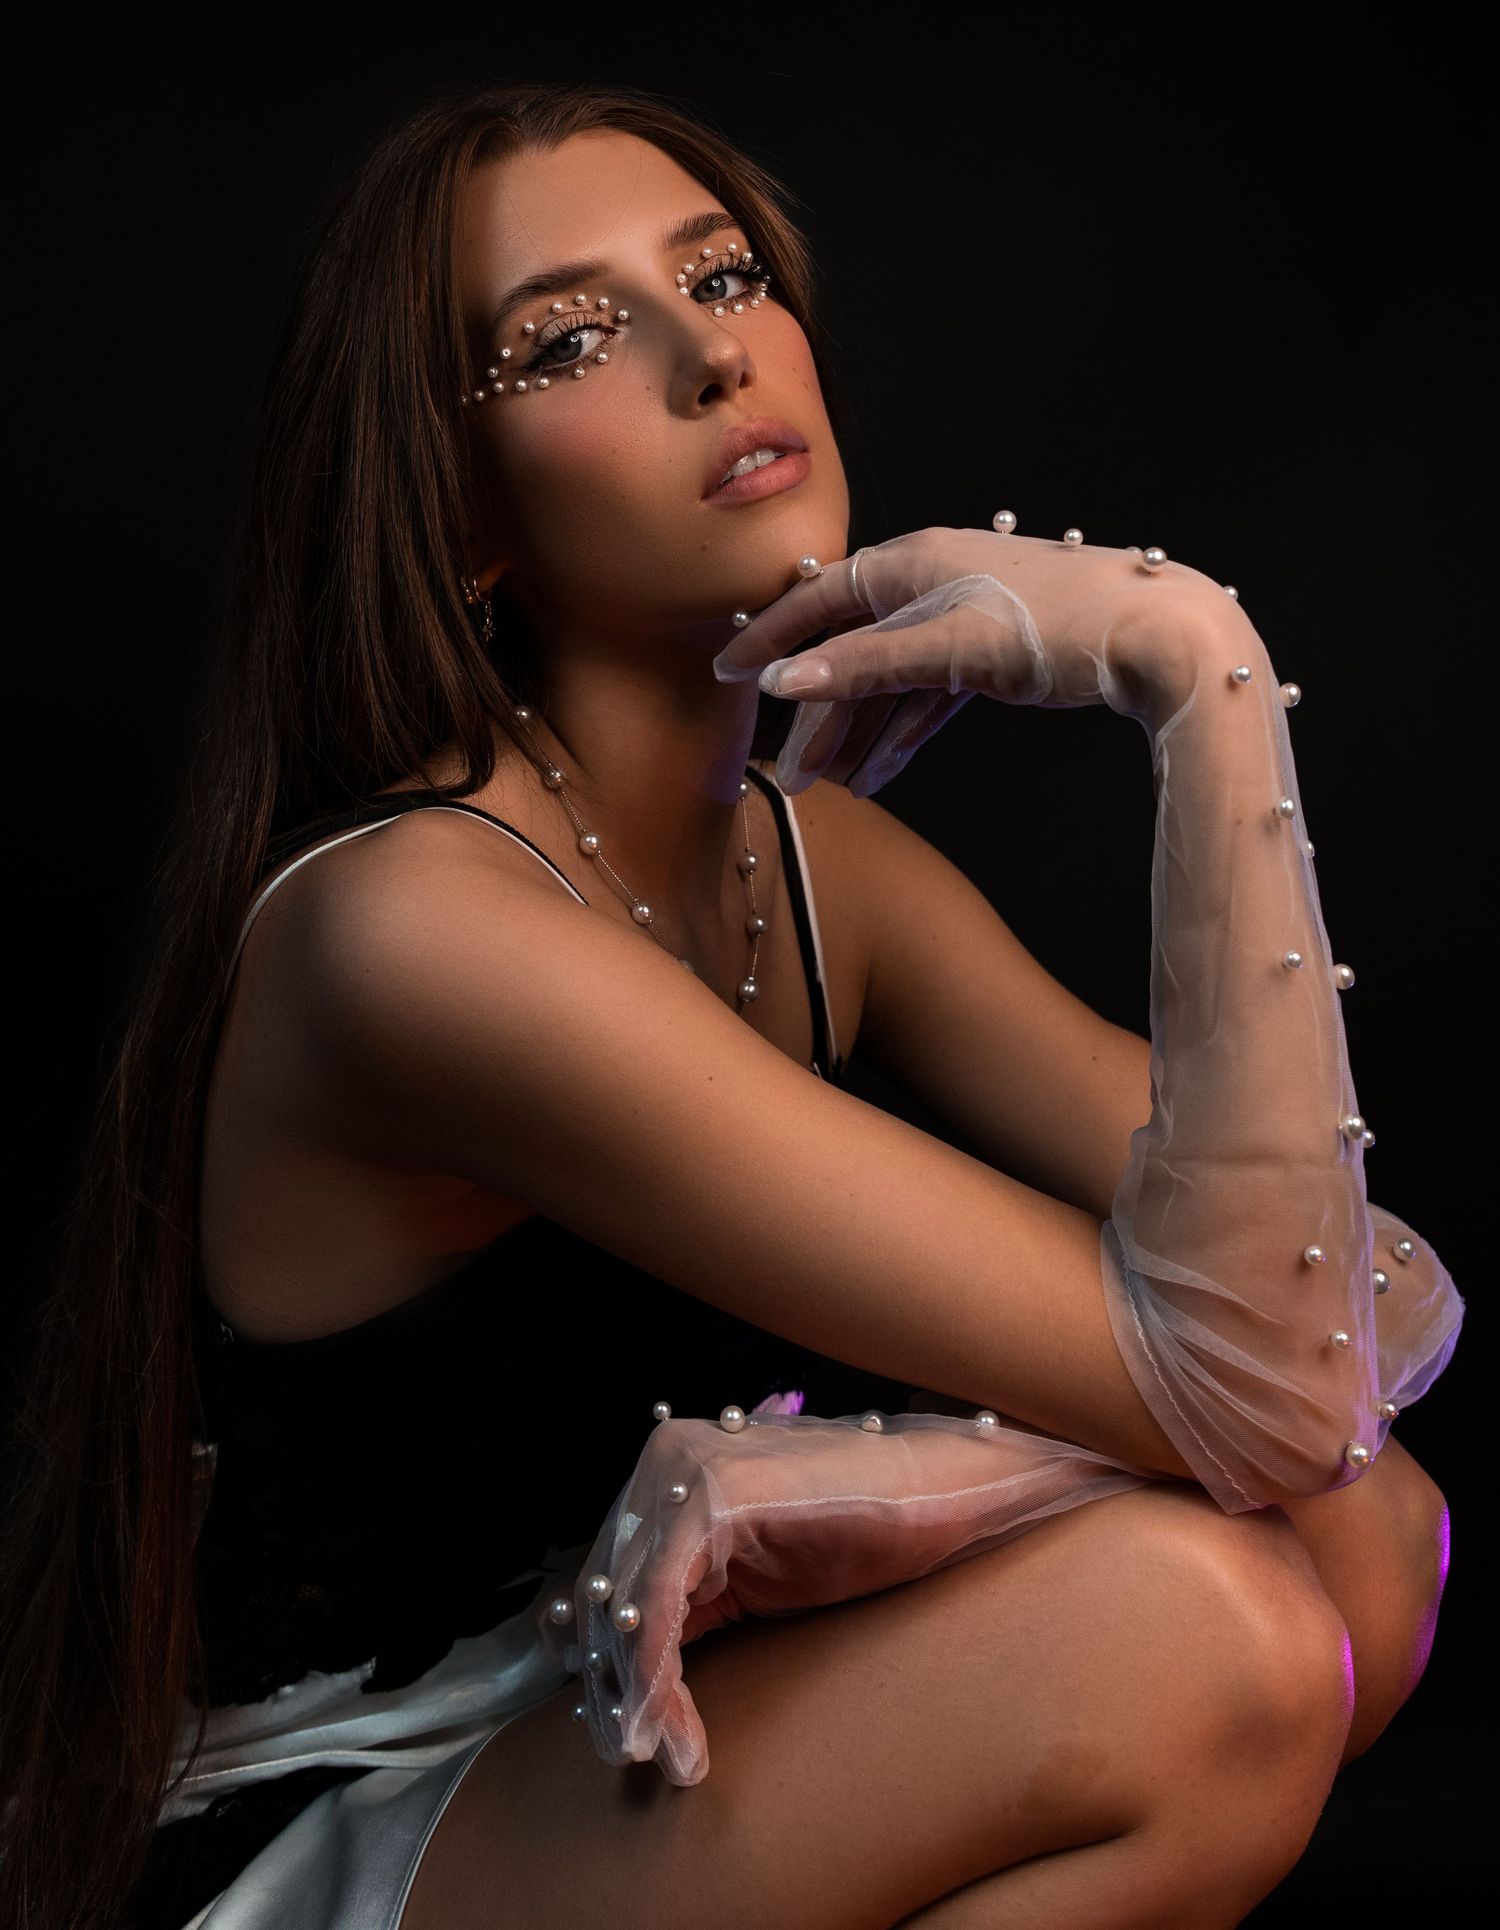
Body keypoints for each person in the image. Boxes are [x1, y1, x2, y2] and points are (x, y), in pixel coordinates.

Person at [0, 77, 1462, 1930]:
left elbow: (1354, 1305)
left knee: (1369, 1535)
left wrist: (876, 1479)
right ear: (463, 517)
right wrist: (1204, 668)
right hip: (345, 1828)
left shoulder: (817, 870)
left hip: (629, 1734)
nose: (712, 353)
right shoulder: (413, 929)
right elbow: (1263, 1378)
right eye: (567, 340)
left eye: (723, 275)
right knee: (1210, 1636)